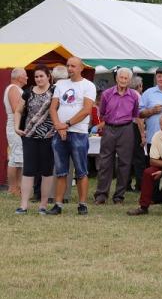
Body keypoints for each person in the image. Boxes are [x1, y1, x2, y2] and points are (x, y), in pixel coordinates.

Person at [45, 58, 96, 215]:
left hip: (78, 132)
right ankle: (58, 204)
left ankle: (82, 204)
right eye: (68, 65)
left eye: (73, 66)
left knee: (81, 170)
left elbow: (86, 110)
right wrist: (58, 125)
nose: (70, 68)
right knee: (61, 171)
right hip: (60, 132)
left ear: (81, 68)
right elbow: (53, 108)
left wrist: (65, 124)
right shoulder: (60, 84)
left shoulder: (88, 85)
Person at [13, 65, 56, 214]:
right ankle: (23, 205)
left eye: (41, 76)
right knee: (28, 170)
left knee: (47, 171)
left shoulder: (55, 91)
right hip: (29, 136)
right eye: (36, 76)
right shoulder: (28, 92)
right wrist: (16, 127)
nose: (38, 79)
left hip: (49, 136)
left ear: (48, 76)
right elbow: (18, 111)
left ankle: (43, 205)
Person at [94, 68, 140, 205]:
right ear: (116, 78)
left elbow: (135, 113)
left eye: (126, 78)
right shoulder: (107, 94)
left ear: (129, 80)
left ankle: (119, 196)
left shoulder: (134, 95)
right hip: (109, 128)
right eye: (121, 77)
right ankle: (101, 195)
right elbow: (102, 112)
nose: (123, 80)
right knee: (105, 162)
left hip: (126, 128)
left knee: (125, 163)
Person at [4, 67, 26, 196]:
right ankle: (13, 188)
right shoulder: (13, 88)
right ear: (19, 77)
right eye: (25, 75)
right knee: (15, 157)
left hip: (18, 125)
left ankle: (18, 187)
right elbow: (16, 109)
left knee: (19, 157)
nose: (27, 77)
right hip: (15, 125)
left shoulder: (17, 89)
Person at [128, 74, 147, 192]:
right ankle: (140, 184)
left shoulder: (127, 94)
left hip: (125, 127)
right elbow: (139, 117)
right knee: (139, 157)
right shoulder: (137, 96)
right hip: (135, 127)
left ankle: (126, 183)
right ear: (139, 85)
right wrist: (142, 135)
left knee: (127, 157)